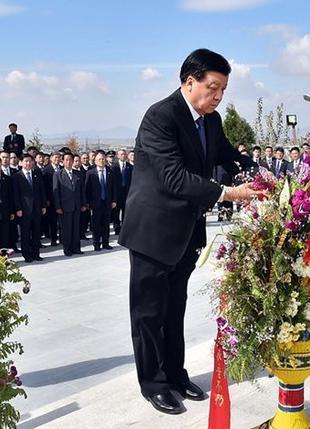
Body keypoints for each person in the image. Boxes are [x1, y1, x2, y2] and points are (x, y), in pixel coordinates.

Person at [118, 48, 261, 416]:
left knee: (175, 307)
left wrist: (261, 175)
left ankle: (177, 375)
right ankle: (153, 383)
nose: (217, 96)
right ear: (189, 81)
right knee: (149, 312)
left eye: (223, 90)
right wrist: (229, 193)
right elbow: (173, 177)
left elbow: (229, 156)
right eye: (212, 88)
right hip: (152, 231)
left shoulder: (211, 121)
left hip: (185, 232)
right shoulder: (160, 117)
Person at [12, 154, 46, 262]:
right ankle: (26, 255)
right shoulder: (17, 176)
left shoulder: (37, 174)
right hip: (24, 210)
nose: (28, 163)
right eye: (26, 161)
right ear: (21, 162)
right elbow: (15, 194)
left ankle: (36, 253)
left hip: (37, 209)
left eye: (30, 161)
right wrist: (18, 209)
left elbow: (42, 191)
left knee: (36, 233)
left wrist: (43, 205)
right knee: (25, 234)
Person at [53, 153, 86, 256]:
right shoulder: (58, 174)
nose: (68, 162)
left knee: (76, 228)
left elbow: (82, 190)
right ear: (62, 161)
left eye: (70, 160)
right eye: (66, 160)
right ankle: (67, 249)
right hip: (64, 206)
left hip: (77, 205)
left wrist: (84, 204)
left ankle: (76, 248)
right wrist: (58, 206)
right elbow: (55, 191)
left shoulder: (78, 173)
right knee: (66, 229)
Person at [85, 150, 117, 251]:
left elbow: (113, 188)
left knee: (106, 224)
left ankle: (106, 243)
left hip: (107, 203)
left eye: (103, 159)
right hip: (95, 204)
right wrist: (88, 203)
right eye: (99, 159)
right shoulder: (90, 173)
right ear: (95, 161)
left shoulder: (110, 172)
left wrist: (114, 200)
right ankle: (96, 243)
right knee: (96, 225)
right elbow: (87, 189)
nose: (101, 161)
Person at [111, 149, 133, 235]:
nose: (123, 156)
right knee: (116, 212)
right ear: (118, 156)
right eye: (121, 154)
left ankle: (124, 229)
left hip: (127, 193)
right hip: (117, 193)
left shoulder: (130, 167)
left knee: (126, 212)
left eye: (124, 154)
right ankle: (117, 228)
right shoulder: (114, 167)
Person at [43, 152, 62, 246]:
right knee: (53, 221)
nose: (57, 159)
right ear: (51, 158)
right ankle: (53, 239)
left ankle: (62, 238)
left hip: (62, 199)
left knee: (62, 221)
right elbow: (45, 187)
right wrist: (46, 199)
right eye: (55, 158)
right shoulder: (46, 170)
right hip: (51, 200)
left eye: (59, 157)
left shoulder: (62, 169)